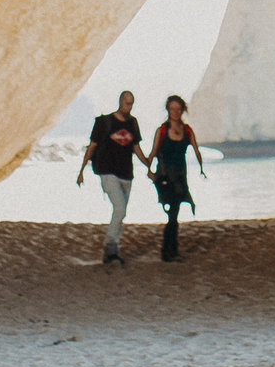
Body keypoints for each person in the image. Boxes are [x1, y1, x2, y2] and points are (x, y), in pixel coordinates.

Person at [74, 89, 145, 264]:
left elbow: (136, 148)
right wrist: (82, 170)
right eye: (126, 103)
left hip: (127, 174)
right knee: (119, 208)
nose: (129, 106)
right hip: (108, 172)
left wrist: (149, 166)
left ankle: (113, 247)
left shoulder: (133, 123)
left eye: (131, 103)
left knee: (121, 212)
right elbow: (92, 147)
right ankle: (110, 247)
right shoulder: (104, 122)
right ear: (120, 101)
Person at [147, 94, 205, 262]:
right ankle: (169, 251)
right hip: (165, 175)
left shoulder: (187, 130)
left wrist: (201, 168)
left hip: (180, 176)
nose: (175, 112)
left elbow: (196, 150)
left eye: (178, 109)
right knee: (173, 212)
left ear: (182, 110)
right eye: (172, 108)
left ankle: (171, 250)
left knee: (175, 211)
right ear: (168, 110)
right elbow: (153, 152)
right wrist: (149, 170)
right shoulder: (162, 130)